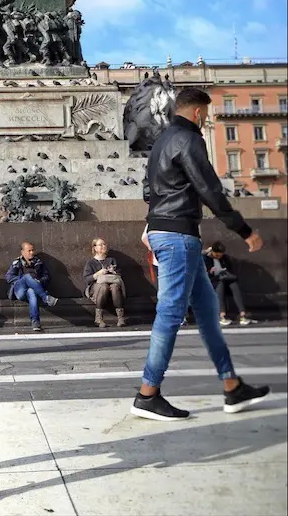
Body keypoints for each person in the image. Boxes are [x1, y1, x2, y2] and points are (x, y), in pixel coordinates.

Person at [134, 87, 269, 421]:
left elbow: (149, 189)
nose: (205, 121)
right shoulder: (189, 140)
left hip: (171, 233)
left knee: (208, 312)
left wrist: (152, 223)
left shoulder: (161, 142)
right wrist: (243, 229)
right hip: (179, 236)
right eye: (205, 115)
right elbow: (208, 188)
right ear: (197, 112)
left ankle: (231, 386)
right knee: (169, 313)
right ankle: (147, 393)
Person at [5, 242, 58, 332]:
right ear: (22, 252)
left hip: (34, 289)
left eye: (33, 250)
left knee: (32, 292)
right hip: (20, 290)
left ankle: (35, 321)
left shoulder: (39, 262)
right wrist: (22, 279)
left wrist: (39, 281)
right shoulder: (16, 263)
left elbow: (46, 276)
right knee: (27, 277)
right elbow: (9, 277)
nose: (32, 252)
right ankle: (45, 297)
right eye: (29, 251)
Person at [142, 225, 188, 326]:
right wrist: (154, 248)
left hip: (172, 260)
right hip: (164, 261)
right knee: (168, 289)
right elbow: (144, 238)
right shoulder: (155, 221)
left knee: (174, 289)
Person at [204, 241, 257, 327]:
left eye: (220, 255)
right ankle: (222, 316)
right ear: (212, 252)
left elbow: (231, 272)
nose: (218, 257)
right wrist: (210, 272)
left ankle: (243, 315)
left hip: (225, 279)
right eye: (217, 255)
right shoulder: (206, 259)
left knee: (234, 284)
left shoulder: (225, 259)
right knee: (219, 284)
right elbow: (202, 275)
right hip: (212, 282)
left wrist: (225, 271)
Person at [83, 238, 126, 328]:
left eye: (104, 244)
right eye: (101, 244)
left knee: (114, 286)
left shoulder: (111, 260)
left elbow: (120, 274)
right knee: (104, 286)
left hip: (112, 285)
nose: (103, 246)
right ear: (95, 248)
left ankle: (120, 317)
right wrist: (98, 273)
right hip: (96, 288)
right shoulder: (91, 262)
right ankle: (98, 318)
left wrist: (113, 271)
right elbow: (87, 279)